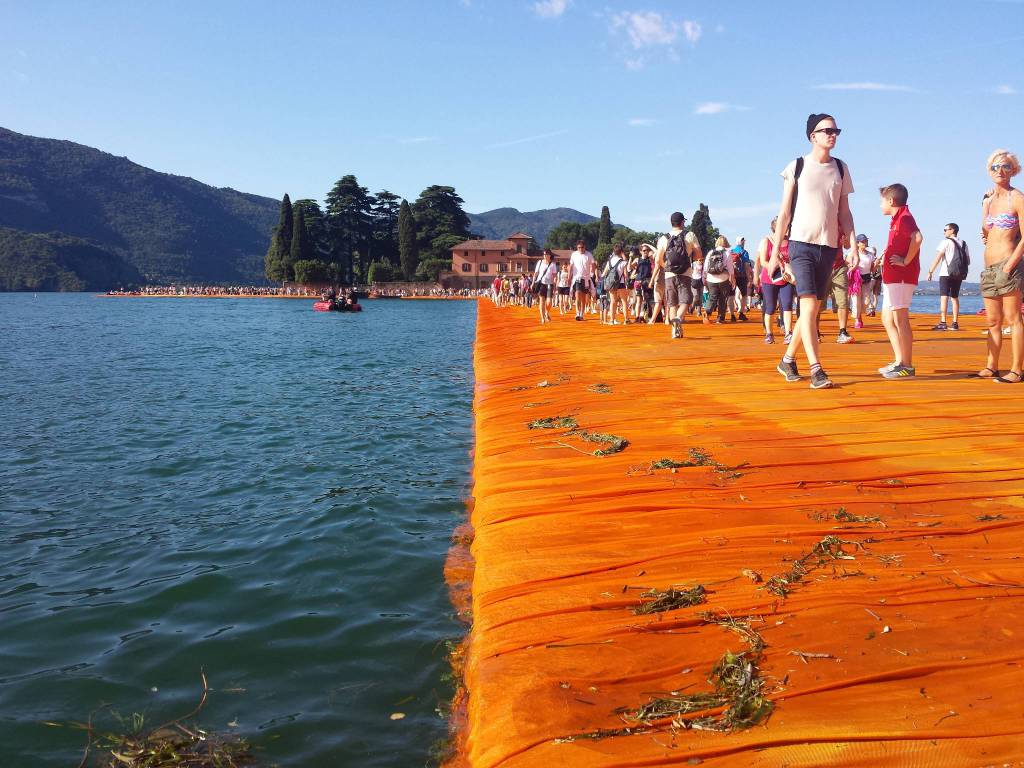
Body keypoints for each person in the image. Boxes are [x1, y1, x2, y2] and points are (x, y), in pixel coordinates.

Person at [768, 113, 856, 389]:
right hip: (800, 244)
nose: (832, 134)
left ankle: (788, 359)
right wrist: (774, 256)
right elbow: (783, 214)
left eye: (835, 130)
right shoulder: (797, 166)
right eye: (826, 130)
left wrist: (852, 245)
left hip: (828, 247)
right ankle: (817, 368)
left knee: (813, 307)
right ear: (812, 136)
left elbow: (845, 212)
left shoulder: (841, 169)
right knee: (807, 305)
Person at [978, 150, 1024, 382]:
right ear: (989, 170)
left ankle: (1017, 369)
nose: (999, 171)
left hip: (1008, 264)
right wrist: (985, 206)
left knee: (1013, 318)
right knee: (992, 321)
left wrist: (1010, 266)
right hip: (989, 267)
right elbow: (986, 231)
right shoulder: (990, 200)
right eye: (995, 167)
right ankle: (991, 366)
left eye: (1005, 166)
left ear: (1013, 170)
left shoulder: (1017, 198)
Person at [878, 183, 923, 378]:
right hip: (892, 277)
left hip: (901, 277)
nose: (880, 206)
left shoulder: (904, 217)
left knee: (900, 319)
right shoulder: (897, 219)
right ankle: (899, 360)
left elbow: (918, 238)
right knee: (887, 318)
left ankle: (907, 365)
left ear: (890, 201)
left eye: (881, 202)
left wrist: (905, 261)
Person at [654, 212, 696, 338]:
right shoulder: (689, 235)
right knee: (686, 300)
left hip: (669, 275)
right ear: (683, 222)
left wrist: (666, 266)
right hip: (685, 272)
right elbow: (699, 253)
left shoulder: (664, 238)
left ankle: (674, 331)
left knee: (672, 303)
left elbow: (658, 259)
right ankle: (678, 317)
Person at [927, 223, 970, 330]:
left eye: (946, 229)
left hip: (945, 273)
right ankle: (955, 323)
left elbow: (938, 257)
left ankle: (943, 322)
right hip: (959, 273)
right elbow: (968, 261)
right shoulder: (964, 243)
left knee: (944, 297)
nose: (944, 231)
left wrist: (930, 271)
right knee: (955, 297)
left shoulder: (945, 242)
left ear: (952, 230)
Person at [758, 218, 795, 344]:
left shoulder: (791, 242)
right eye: (785, 226)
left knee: (788, 304)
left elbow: (794, 260)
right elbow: (763, 261)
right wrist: (779, 267)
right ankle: (769, 333)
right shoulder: (766, 241)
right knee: (770, 306)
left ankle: (788, 332)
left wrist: (787, 270)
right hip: (770, 278)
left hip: (787, 279)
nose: (788, 229)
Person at [704, 236, 735, 324]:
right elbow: (730, 269)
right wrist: (732, 279)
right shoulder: (727, 253)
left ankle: (707, 312)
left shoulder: (710, 252)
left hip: (711, 278)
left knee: (712, 297)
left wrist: (705, 278)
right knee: (723, 298)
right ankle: (720, 319)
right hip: (723, 279)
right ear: (726, 243)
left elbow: (705, 267)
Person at [852, 234, 877, 329]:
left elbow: (872, 270)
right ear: (857, 243)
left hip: (866, 279)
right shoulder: (854, 253)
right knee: (856, 301)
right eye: (862, 241)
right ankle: (857, 319)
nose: (865, 243)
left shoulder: (870, 255)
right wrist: (851, 267)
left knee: (866, 301)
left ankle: (859, 315)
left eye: (865, 241)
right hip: (856, 279)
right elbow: (847, 262)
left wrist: (876, 264)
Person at [602, 243, 632, 324]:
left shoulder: (609, 262)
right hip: (621, 283)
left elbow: (604, 273)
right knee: (624, 301)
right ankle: (626, 319)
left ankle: (612, 320)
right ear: (621, 252)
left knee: (613, 301)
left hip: (611, 283)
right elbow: (626, 275)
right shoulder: (623, 262)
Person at [569, 239, 595, 321]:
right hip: (577, 278)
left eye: (582, 247)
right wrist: (569, 277)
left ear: (585, 247)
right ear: (577, 247)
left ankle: (581, 314)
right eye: (579, 247)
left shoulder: (589, 255)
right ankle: (577, 313)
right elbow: (571, 266)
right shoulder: (574, 255)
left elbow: (593, 264)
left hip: (586, 278)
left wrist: (593, 273)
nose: (580, 249)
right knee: (577, 294)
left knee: (584, 298)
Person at [533, 249, 558, 323]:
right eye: (544, 254)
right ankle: (542, 318)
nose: (545, 256)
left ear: (550, 255)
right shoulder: (540, 262)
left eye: (546, 254)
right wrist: (533, 283)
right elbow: (536, 273)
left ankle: (547, 313)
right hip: (541, 284)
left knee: (549, 302)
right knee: (542, 301)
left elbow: (554, 276)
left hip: (549, 284)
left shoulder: (553, 264)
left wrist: (555, 283)